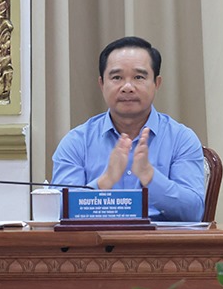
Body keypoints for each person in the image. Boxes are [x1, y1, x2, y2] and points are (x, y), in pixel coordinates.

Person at [51, 36, 205, 221]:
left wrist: (150, 177)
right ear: (101, 84)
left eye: (139, 77)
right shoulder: (77, 141)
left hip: (161, 246)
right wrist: (104, 182)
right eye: (117, 78)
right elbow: (55, 211)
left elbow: (195, 212)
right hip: (96, 246)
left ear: (157, 83)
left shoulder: (182, 139)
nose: (127, 87)